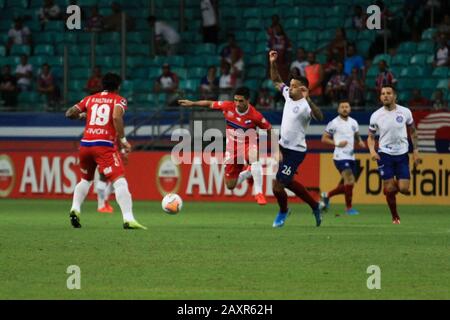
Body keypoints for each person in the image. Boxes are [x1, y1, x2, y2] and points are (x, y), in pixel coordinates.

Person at [65, 72, 146, 230]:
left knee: (85, 180)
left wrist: (83, 115)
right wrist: (123, 140)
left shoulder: (89, 99)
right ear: (118, 86)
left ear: (102, 85)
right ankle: (128, 219)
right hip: (104, 145)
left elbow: (69, 113)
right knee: (119, 180)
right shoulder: (119, 100)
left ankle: (75, 208)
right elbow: (116, 117)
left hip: (85, 144)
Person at [178, 87, 272, 206]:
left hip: (248, 143)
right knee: (230, 185)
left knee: (254, 156)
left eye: (241, 101)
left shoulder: (255, 116)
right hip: (232, 149)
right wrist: (192, 103)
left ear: (248, 100)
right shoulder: (228, 106)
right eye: (236, 100)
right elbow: (210, 103)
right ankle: (249, 173)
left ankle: (259, 193)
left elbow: (269, 129)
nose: (237, 104)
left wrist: (278, 150)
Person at [269, 50, 325, 228]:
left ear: (302, 89)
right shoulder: (288, 95)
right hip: (282, 147)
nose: (289, 87)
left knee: (277, 185)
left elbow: (320, 117)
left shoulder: (305, 106)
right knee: (287, 181)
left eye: (293, 86)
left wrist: (309, 100)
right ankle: (315, 205)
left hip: (296, 151)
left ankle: (283, 211)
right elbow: (277, 80)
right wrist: (272, 63)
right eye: (290, 85)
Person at [367, 85, 421, 224]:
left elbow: (413, 132)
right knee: (390, 187)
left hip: (402, 154)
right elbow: (371, 137)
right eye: (383, 93)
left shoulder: (405, 112)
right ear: (380, 97)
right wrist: (372, 151)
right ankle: (395, 217)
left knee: (403, 189)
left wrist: (416, 151)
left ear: (395, 96)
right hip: (384, 153)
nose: (385, 95)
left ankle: (389, 189)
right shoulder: (376, 115)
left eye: (388, 93)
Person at [320, 100, 366, 216]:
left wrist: (360, 141)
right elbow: (324, 138)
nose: (344, 109)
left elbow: (356, 135)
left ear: (350, 109)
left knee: (349, 183)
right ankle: (348, 208)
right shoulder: (334, 123)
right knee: (349, 179)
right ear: (338, 109)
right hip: (340, 156)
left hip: (351, 156)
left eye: (347, 107)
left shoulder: (354, 122)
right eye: (342, 107)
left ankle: (327, 195)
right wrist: (337, 143)